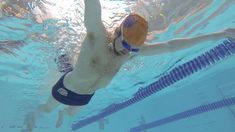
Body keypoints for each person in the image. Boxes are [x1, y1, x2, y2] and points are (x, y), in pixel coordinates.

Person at [25, 0, 235, 131]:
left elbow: (171, 46)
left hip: (86, 97)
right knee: (46, 108)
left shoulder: (131, 53)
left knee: (69, 114)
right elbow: (92, 6)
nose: (127, 51)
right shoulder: (97, 37)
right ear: (117, 32)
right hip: (66, 88)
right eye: (125, 44)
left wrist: (218, 34)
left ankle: (63, 115)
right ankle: (31, 120)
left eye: (133, 49)